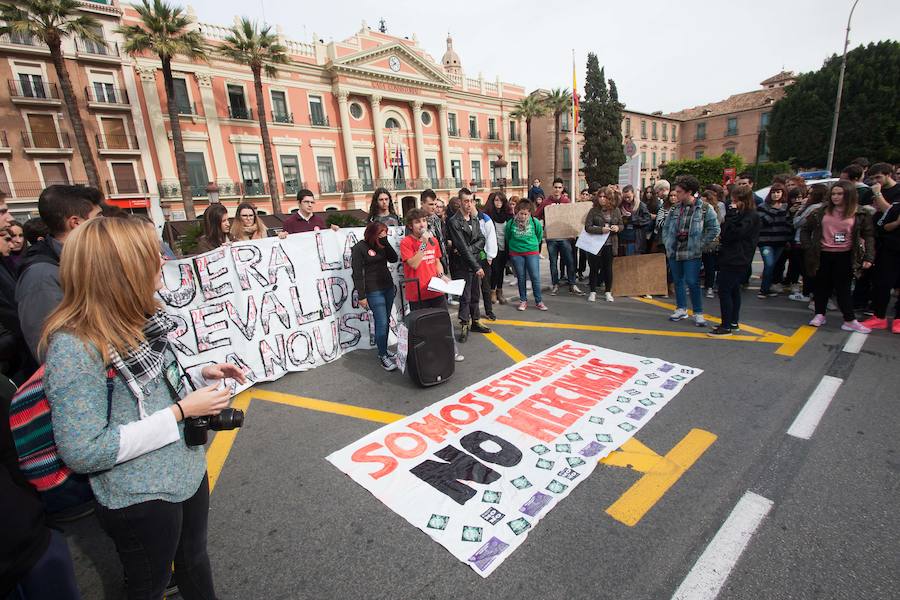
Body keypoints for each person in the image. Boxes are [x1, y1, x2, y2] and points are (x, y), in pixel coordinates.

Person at [42, 216, 246, 600]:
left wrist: (203, 375)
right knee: (148, 585)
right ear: (123, 269)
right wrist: (181, 413)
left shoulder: (140, 318)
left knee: (195, 561)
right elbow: (83, 451)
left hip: (186, 470)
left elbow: (154, 387)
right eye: (151, 253)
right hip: (139, 496)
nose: (162, 258)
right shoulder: (75, 347)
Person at [16, 185, 102, 361]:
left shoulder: (83, 260)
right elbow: (51, 351)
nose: (105, 225)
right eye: (98, 219)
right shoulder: (41, 277)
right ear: (76, 222)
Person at [801, 181, 874, 332]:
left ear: (848, 194)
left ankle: (849, 320)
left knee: (843, 289)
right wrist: (809, 247)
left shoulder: (859, 212)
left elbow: (868, 235)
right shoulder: (821, 211)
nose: (835, 197)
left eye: (840, 194)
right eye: (833, 193)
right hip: (822, 254)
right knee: (821, 287)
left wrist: (868, 257)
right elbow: (805, 230)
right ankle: (819, 314)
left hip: (846, 255)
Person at [400, 208, 464, 362]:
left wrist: (442, 276)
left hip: (435, 289)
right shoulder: (406, 242)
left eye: (423, 221)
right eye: (417, 222)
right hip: (418, 293)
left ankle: (451, 350)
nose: (422, 224)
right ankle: (428, 355)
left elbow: (436, 261)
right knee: (422, 327)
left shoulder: (433, 240)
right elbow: (414, 264)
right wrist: (422, 244)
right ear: (410, 225)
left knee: (443, 322)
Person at [661, 175, 720, 326]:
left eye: (679, 192)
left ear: (689, 192)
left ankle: (698, 312)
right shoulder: (675, 209)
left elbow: (714, 228)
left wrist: (701, 244)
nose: (676, 195)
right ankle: (681, 308)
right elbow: (666, 227)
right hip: (675, 250)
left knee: (692, 281)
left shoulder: (705, 208)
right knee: (678, 280)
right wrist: (668, 243)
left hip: (692, 251)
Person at [709, 187, 760, 336]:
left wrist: (730, 217)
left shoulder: (750, 216)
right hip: (734, 256)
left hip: (737, 258)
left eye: (735, 200)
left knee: (724, 290)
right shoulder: (745, 215)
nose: (732, 203)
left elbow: (733, 233)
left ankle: (726, 326)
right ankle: (732, 322)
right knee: (733, 289)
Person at [350, 221, 399, 371]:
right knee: (382, 322)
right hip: (373, 290)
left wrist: (385, 241)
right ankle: (382, 355)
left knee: (385, 321)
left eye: (385, 232)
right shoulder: (359, 248)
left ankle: (383, 350)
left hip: (388, 287)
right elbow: (357, 274)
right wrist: (362, 296)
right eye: (381, 233)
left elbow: (393, 258)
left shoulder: (382, 244)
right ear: (372, 233)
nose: (384, 235)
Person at [447, 189, 491, 341]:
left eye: (471, 201)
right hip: (462, 265)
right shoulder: (454, 221)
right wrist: (477, 267)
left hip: (473, 260)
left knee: (475, 293)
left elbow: (482, 239)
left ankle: (476, 321)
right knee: (465, 295)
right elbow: (460, 247)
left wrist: (470, 250)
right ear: (459, 202)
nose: (469, 204)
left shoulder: (474, 218)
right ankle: (465, 323)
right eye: (466, 201)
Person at [860, 164, 900, 333]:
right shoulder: (874, 191)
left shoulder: (897, 191)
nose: (876, 181)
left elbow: (889, 212)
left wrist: (878, 194)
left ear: (888, 175)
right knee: (881, 282)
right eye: (873, 178)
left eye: (879, 177)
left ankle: (898, 319)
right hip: (884, 243)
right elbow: (885, 218)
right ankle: (879, 316)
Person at [535, 178, 584, 296]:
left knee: (570, 261)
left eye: (559, 187)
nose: (557, 189)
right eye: (555, 187)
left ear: (562, 189)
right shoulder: (546, 202)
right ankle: (555, 284)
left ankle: (572, 284)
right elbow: (536, 215)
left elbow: (572, 218)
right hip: (551, 238)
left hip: (565, 238)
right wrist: (543, 226)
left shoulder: (566, 201)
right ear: (552, 188)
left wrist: (573, 232)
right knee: (553, 262)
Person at [505, 200, 546, 311]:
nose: (523, 216)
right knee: (521, 277)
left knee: (535, 277)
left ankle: (539, 301)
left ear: (529, 213)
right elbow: (508, 236)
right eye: (521, 213)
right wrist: (514, 248)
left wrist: (533, 246)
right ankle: (523, 300)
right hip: (516, 253)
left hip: (531, 252)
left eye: (525, 214)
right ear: (517, 212)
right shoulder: (511, 223)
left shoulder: (535, 222)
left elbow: (539, 236)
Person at [584, 187, 622, 302]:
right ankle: (592, 291)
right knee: (594, 268)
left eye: (604, 197)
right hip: (595, 244)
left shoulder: (616, 210)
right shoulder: (593, 211)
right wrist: (601, 230)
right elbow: (587, 227)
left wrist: (617, 228)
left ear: (609, 198)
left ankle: (608, 292)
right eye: (600, 196)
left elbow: (621, 225)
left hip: (610, 244)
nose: (601, 199)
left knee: (608, 268)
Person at [755, 183, 793, 298]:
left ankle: (768, 287)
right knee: (769, 264)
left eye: (778, 192)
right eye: (773, 192)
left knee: (774, 265)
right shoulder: (762, 206)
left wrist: (788, 240)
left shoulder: (786, 207)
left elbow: (788, 224)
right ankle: (763, 290)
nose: (776, 195)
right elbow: (766, 221)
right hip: (765, 242)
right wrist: (775, 209)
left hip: (780, 241)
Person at [484, 192, 511, 305]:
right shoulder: (488, 216)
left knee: (501, 271)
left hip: (504, 247)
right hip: (493, 248)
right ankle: (492, 291)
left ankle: (500, 291)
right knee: (494, 271)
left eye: (501, 200)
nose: (499, 202)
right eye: (496, 200)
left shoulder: (508, 216)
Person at [476, 198, 498, 321]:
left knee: (486, 286)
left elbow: (491, 238)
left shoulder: (485, 219)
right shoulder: (463, 219)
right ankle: (474, 313)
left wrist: (490, 256)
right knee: (473, 289)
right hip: (471, 258)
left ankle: (488, 311)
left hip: (483, 257)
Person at [699, 189, 724, 299]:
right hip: (699, 240)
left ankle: (709, 287)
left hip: (711, 242)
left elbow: (716, 226)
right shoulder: (698, 209)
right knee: (697, 265)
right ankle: (698, 286)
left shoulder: (715, 211)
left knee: (710, 266)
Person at [617, 185, 651, 256]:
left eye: (629, 197)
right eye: (625, 197)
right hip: (623, 237)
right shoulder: (620, 205)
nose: (627, 199)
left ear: (633, 194)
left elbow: (647, 219)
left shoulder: (641, 205)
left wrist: (632, 219)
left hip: (636, 238)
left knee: (633, 262)